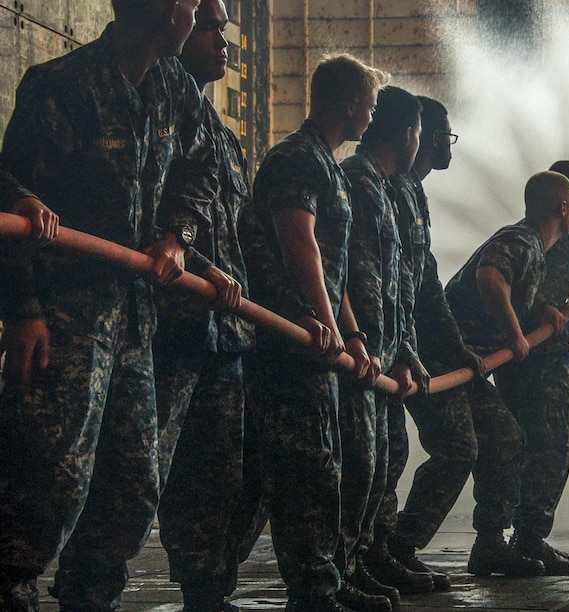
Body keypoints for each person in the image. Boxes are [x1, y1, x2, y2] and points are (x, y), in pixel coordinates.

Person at [0, 0, 239, 609]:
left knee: (132, 486)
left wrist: (178, 235)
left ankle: (89, 599)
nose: (199, 15)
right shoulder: (62, 86)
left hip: (133, 319)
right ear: (165, 11)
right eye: (193, 4)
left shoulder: (173, 89)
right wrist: (23, 310)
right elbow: (12, 197)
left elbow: (201, 166)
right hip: (63, 314)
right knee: (50, 479)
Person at [243, 54, 386, 612]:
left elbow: (331, 264)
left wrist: (351, 335)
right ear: (349, 105)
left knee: (323, 466)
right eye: (370, 107)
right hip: (289, 341)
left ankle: (324, 583)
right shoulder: (298, 158)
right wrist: (324, 320)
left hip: (319, 342)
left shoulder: (326, 163)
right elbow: (296, 240)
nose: (372, 119)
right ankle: (312, 594)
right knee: (302, 472)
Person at [152, 1, 254, 609]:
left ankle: (207, 594)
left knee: (221, 478)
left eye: (225, 25)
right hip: (165, 326)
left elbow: (231, 232)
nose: (223, 38)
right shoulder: (155, 104)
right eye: (212, 25)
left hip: (223, 332)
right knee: (140, 477)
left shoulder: (221, 134)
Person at [444, 171, 569, 577]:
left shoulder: (528, 243)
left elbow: (514, 284)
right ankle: (408, 543)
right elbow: (490, 276)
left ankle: (491, 545)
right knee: (495, 442)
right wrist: (517, 335)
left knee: (503, 440)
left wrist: (541, 310)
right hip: (447, 358)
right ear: (564, 208)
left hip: (461, 360)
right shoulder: (525, 241)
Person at [491, 160, 569, 575]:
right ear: (564, 199)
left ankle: (524, 537)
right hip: (523, 353)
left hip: (539, 351)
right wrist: (544, 305)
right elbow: (508, 280)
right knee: (528, 446)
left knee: (539, 446)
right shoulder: (530, 238)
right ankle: (503, 539)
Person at [381, 97, 485, 591]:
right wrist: (402, 348)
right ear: (418, 132)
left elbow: (425, 284)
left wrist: (456, 348)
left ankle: (396, 549)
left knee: (457, 448)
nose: (448, 144)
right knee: (381, 457)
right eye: (444, 133)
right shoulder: (381, 187)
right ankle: (373, 557)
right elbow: (377, 280)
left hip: (414, 346)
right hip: (379, 345)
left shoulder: (414, 195)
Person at [337, 85, 432, 604]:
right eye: (420, 134)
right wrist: (370, 345)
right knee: (357, 468)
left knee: (384, 462)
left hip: (384, 359)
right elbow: (354, 276)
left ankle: (366, 559)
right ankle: (339, 573)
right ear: (406, 134)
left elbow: (398, 287)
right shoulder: (357, 181)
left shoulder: (386, 185)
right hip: (360, 359)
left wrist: (406, 352)